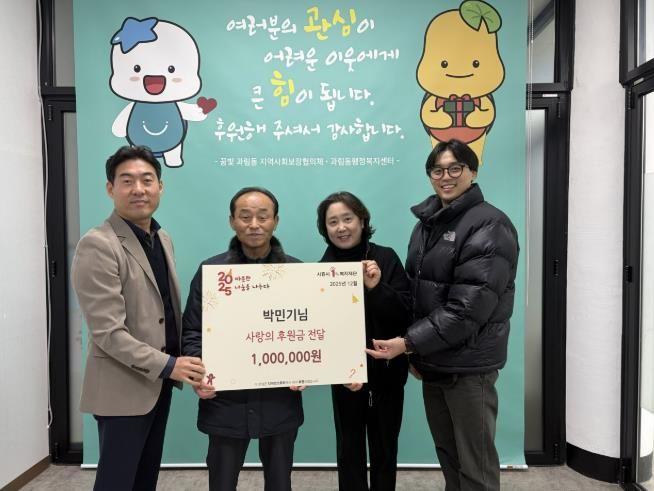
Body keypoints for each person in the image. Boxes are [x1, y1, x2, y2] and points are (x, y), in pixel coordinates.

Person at [366, 139, 519, 491]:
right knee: (449, 454)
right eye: (437, 170)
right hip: (434, 360)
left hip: (468, 366)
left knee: (476, 465)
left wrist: (409, 344)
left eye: (455, 168)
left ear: (472, 172)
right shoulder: (426, 225)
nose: (445, 177)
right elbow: (418, 295)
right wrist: (415, 350)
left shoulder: (490, 226)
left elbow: (468, 308)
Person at [71, 145, 206, 491]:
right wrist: (170, 365)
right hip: (122, 388)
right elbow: (108, 333)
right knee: (117, 482)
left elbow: (165, 313)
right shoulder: (99, 244)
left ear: (160, 186)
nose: (138, 189)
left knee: (144, 479)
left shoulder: (162, 237)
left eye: (147, 180)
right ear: (110, 188)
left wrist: (190, 363)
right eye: (127, 180)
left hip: (157, 384)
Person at [182, 187, 304, 491]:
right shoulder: (212, 272)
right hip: (225, 400)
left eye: (263, 216)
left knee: (280, 483)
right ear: (232, 221)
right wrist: (199, 375)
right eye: (245, 216)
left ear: (275, 221)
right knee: (222, 482)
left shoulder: (296, 273)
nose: (254, 224)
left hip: (279, 400)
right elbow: (192, 331)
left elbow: (310, 333)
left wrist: (306, 368)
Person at [316, 192, 412, 491]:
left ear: (362, 221)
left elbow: (406, 312)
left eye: (348, 219)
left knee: (385, 449)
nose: (341, 227)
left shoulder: (386, 257)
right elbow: (319, 329)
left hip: (387, 374)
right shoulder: (321, 269)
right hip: (345, 378)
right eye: (333, 222)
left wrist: (377, 287)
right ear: (325, 228)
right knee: (349, 450)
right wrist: (335, 368)